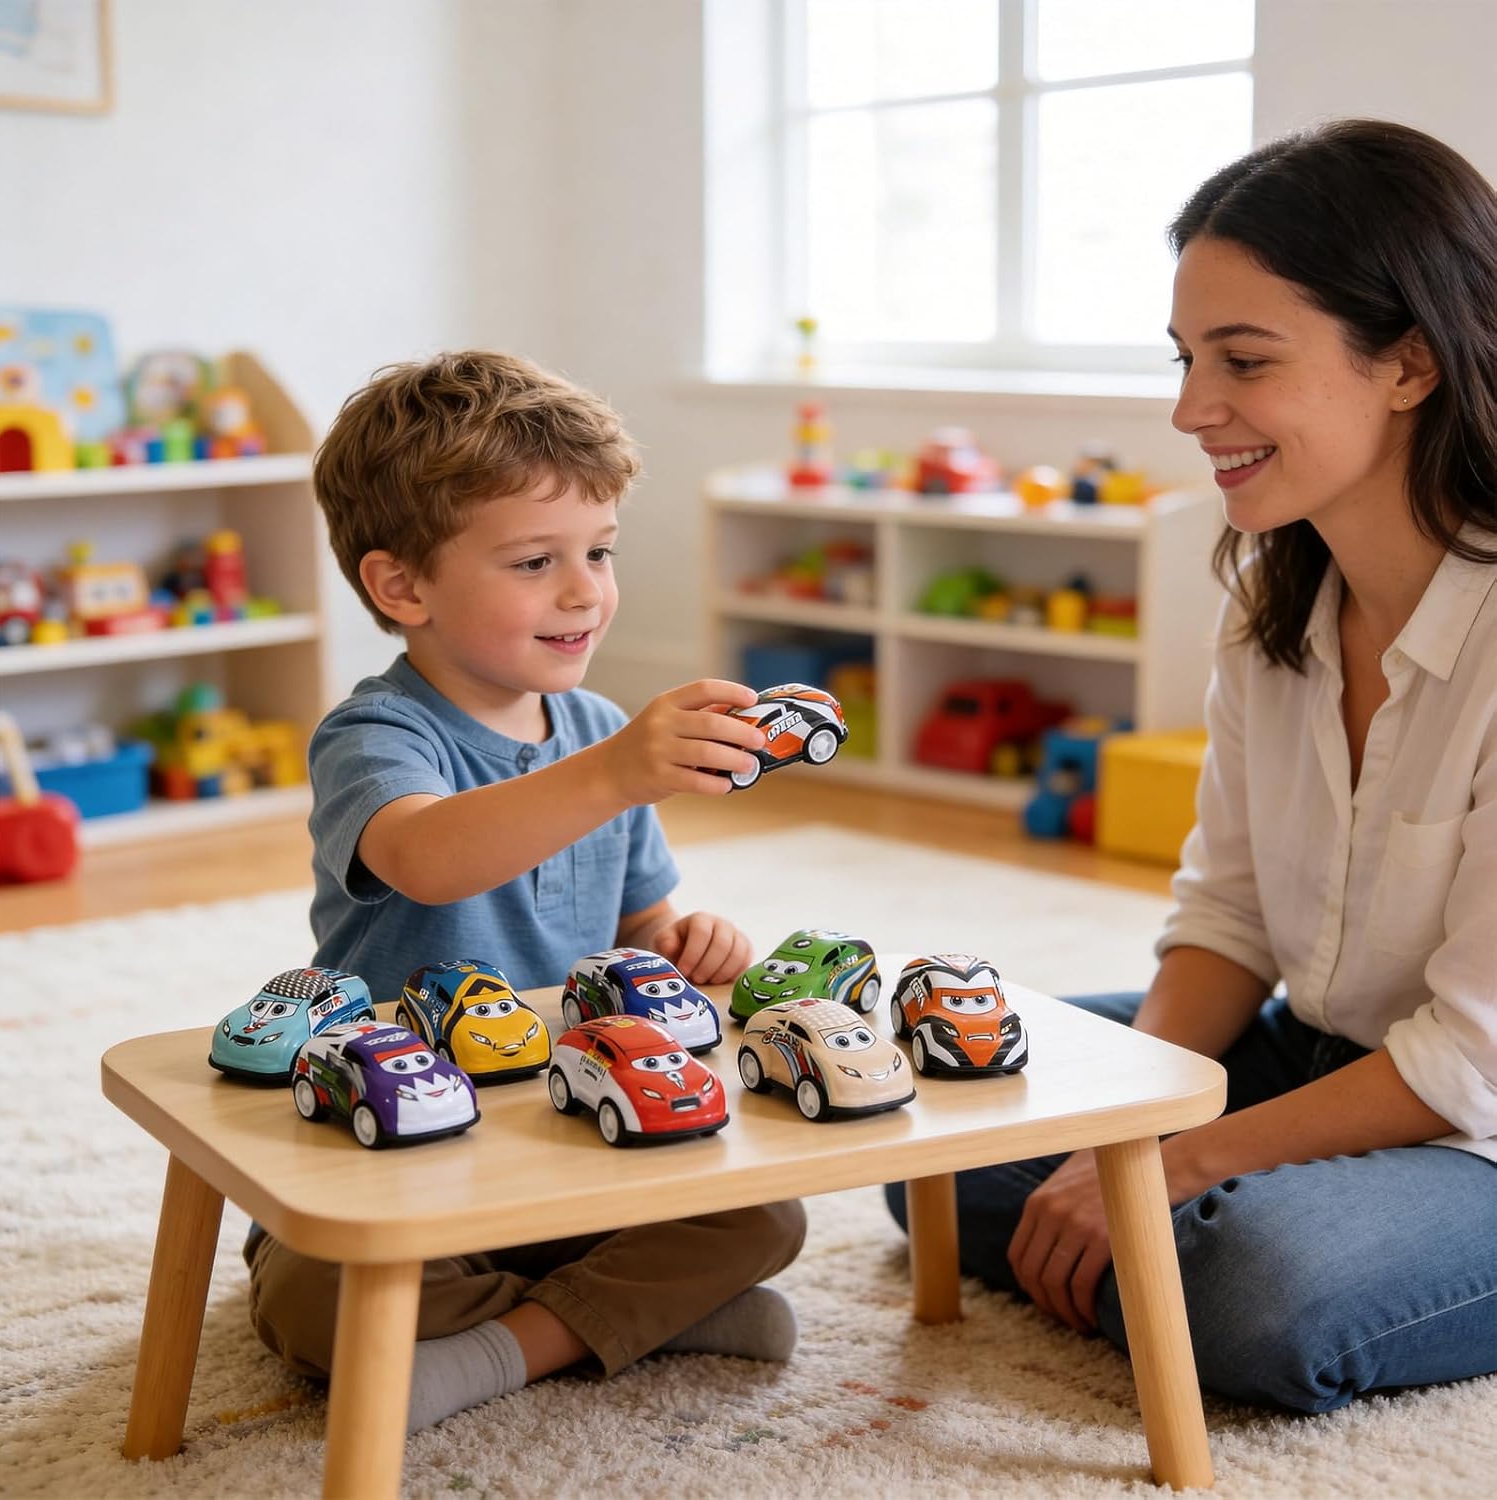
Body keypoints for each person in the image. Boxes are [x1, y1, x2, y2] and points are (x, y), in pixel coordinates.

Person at [887, 118, 1497, 1413]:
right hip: (1320, 1054)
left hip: (1478, 1127)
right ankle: (1170, 1231)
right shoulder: (1273, 605)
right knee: (934, 1130)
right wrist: (1136, 1124)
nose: (1188, 410)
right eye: (1185, 358)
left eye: (1245, 361)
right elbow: (1226, 918)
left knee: (1250, 1291)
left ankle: (1237, 1246)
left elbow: (1470, 1060)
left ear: (1411, 363)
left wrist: (1162, 1168)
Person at [245, 350, 805, 1433]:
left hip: (566, 1130)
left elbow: (635, 929)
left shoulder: (601, 736)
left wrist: (686, 941)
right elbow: (427, 857)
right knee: (311, 1299)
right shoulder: (376, 736)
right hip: (396, 1134)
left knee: (763, 1217)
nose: (586, 589)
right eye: (535, 560)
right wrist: (615, 773)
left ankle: (504, 1348)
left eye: (599, 550)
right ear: (402, 585)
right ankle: (619, 1323)